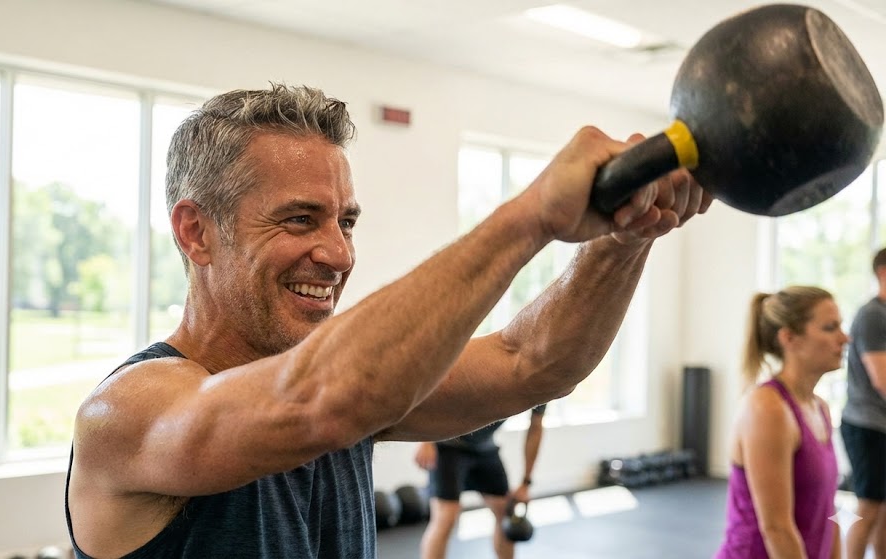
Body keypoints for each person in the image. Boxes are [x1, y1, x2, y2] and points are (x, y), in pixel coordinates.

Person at [65, 83, 710, 558]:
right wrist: (531, 215)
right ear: (196, 232)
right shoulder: (127, 414)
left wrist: (626, 234)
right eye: (300, 219)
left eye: (345, 221)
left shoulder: (352, 393)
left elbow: (533, 363)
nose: (338, 253)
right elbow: (322, 401)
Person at [714, 286, 847, 559]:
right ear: (789, 338)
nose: (844, 338)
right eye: (830, 328)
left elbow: (827, 510)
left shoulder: (819, 407)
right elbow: (777, 529)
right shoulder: (767, 409)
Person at [414, 404, 546, 559]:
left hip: (484, 447)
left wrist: (525, 484)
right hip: (447, 443)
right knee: (445, 518)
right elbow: (434, 395)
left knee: (505, 512)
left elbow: (536, 428)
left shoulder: (541, 391)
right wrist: (426, 440)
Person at [842, 248, 886, 559]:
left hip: (881, 424)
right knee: (869, 507)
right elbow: (882, 379)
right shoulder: (872, 315)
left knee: (884, 510)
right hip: (867, 425)